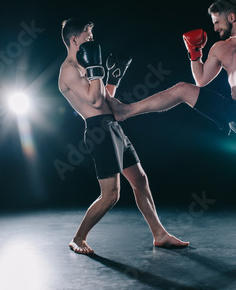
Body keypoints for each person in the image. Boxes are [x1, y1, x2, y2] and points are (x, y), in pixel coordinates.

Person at [107, 0, 236, 256]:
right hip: (228, 109)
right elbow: (200, 80)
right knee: (183, 89)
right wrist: (194, 53)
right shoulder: (219, 48)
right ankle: (126, 110)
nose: (214, 28)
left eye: (217, 21)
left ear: (231, 16)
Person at [58, 18, 189, 255]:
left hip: (113, 127)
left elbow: (106, 99)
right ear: (74, 39)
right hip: (99, 131)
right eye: (88, 38)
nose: (91, 41)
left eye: (92, 37)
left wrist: (113, 79)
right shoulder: (69, 71)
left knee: (140, 180)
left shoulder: (83, 67)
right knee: (111, 195)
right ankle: (78, 238)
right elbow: (94, 101)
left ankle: (160, 234)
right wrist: (97, 68)